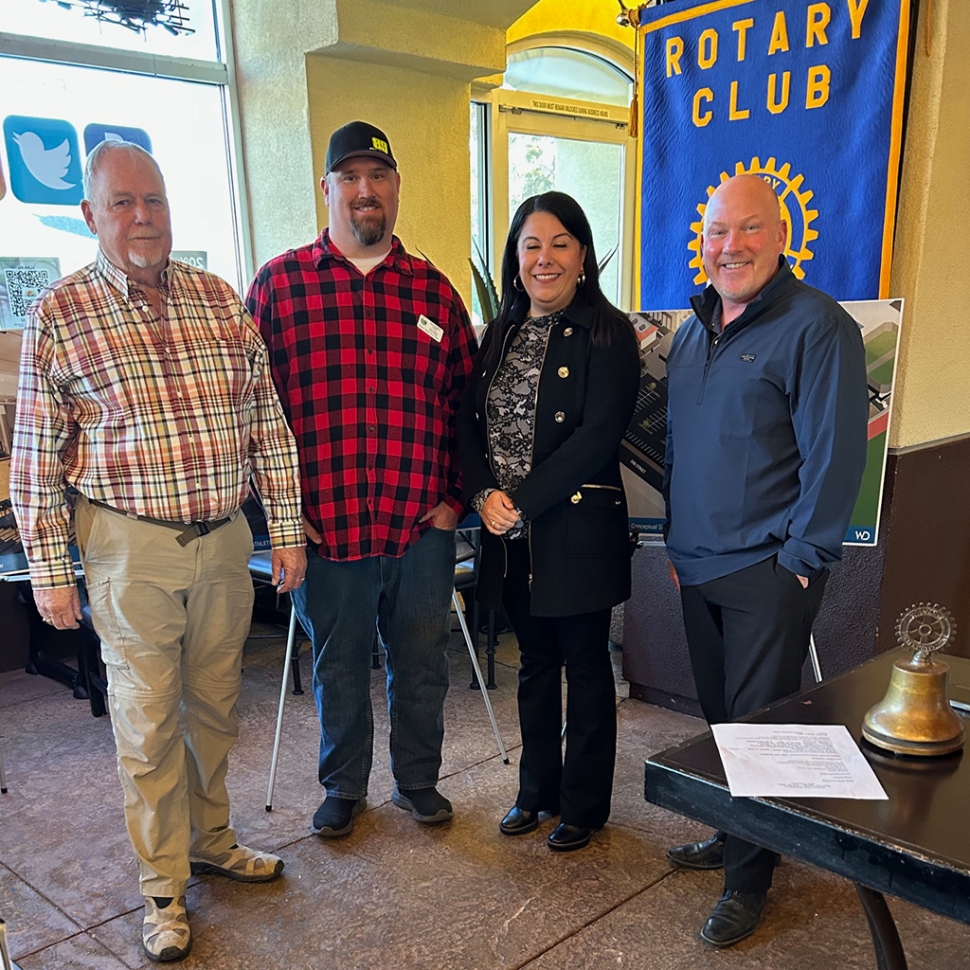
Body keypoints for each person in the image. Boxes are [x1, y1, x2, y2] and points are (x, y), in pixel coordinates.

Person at [9, 139, 306, 963]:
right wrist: (49, 570)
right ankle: (162, 889)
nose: (143, 218)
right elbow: (35, 458)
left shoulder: (218, 299)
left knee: (216, 707)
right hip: (127, 548)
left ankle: (212, 837)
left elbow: (265, 425)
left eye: (156, 201)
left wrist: (284, 526)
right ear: (91, 214)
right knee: (145, 725)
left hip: (223, 542)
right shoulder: (59, 315)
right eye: (123, 203)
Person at [246, 121, 477, 839]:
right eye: (349, 177)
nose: (365, 190)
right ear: (326, 190)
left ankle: (418, 781)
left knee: (422, 663)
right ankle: (343, 786)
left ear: (396, 187)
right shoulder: (278, 289)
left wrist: (452, 501)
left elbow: (466, 406)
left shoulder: (434, 293)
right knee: (338, 666)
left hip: (419, 526)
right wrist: (283, 517)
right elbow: (252, 412)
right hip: (326, 524)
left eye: (378, 175)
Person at [663, 174, 869, 947]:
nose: (730, 247)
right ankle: (731, 831)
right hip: (698, 564)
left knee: (757, 732)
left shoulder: (818, 326)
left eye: (748, 230)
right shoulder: (693, 329)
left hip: (770, 570)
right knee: (721, 724)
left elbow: (835, 453)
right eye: (718, 232)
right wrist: (678, 542)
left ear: (780, 235)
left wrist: (803, 562)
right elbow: (681, 445)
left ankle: (749, 880)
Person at [457, 192, 639, 852]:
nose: (545, 258)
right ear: (515, 260)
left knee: (585, 666)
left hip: (576, 532)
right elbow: (468, 425)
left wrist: (522, 501)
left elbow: (596, 438)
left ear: (583, 255)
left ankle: (584, 807)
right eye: (531, 245)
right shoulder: (499, 332)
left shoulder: (608, 334)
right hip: (509, 535)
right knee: (534, 665)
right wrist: (481, 494)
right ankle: (536, 792)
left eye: (560, 243)